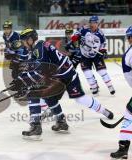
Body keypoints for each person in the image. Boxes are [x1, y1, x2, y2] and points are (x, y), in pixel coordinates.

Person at [10, 28, 114, 140]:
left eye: (25, 40)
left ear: (30, 39)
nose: (24, 44)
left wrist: (23, 81)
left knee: (33, 93)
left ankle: (36, 126)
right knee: (75, 98)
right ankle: (63, 122)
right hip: (67, 74)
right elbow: (36, 68)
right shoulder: (40, 46)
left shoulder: (38, 49)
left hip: (61, 76)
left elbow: (40, 72)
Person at [71, 15, 115, 95]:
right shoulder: (84, 29)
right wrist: (78, 38)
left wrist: (103, 51)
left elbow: (103, 43)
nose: (92, 24)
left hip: (96, 55)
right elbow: (73, 38)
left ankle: (110, 86)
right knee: (87, 73)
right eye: (91, 22)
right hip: (84, 55)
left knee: (102, 71)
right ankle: (94, 87)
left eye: (94, 22)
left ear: (97, 23)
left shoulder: (100, 33)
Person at [110, 26, 132, 159]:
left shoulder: (130, 54)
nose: (128, 39)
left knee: (129, 114)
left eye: (129, 37)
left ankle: (123, 148)